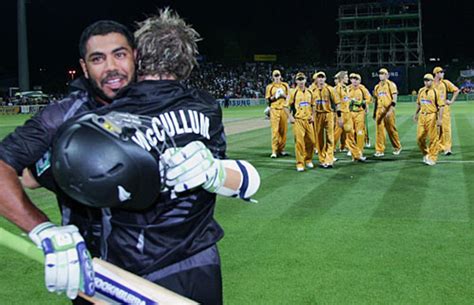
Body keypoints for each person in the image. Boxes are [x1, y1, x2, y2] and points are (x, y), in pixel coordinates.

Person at [0, 20, 137, 302]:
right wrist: (42, 228)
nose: (111, 67)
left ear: (135, 56)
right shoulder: (60, 116)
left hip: (166, 271)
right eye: (98, 59)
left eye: (119, 54)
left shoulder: (162, 104)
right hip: (95, 273)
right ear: (85, 68)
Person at [285, 72, 315, 172]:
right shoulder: (293, 92)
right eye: (299, 79)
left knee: (311, 141)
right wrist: (290, 117)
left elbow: (313, 105)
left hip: (308, 120)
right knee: (299, 142)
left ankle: (308, 159)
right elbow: (286, 106)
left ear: (305, 80)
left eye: (302, 79)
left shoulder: (310, 92)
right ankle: (300, 163)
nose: (301, 81)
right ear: (296, 81)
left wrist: (313, 116)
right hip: (298, 120)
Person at [333, 71, 366, 162]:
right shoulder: (337, 89)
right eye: (346, 77)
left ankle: (356, 155)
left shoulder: (345, 88)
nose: (348, 79)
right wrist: (339, 117)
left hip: (348, 114)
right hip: (342, 115)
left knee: (350, 135)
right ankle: (329, 154)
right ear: (342, 78)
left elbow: (346, 101)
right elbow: (337, 104)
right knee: (335, 136)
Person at [413, 74, 445, 165]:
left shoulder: (436, 92)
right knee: (419, 138)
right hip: (422, 116)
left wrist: (440, 119)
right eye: (425, 80)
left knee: (433, 138)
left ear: (432, 81)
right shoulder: (421, 91)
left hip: (432, 116)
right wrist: (415, 114)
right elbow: (419, 103)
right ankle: (426, 153)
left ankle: (433, 158)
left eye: (428, 80)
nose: (426, 82)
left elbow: (441, 106)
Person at [310, 71, 338, 168]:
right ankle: (322, 159)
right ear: (316, 79)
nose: (321, 79)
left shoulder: (330, 89)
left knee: (330, 137)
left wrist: (339, 116)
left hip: (328, 114)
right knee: (319, 138)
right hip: (317, 115)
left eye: (322, 77)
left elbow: (336, 103)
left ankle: (329, 159)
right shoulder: (312, 91)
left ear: (325, 79)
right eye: (319, 77)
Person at [373, 68, 402, 157]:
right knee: (379, 131)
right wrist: (374, 113)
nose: (381, 75)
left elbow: (394, 97)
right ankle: (379, 150)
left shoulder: (391, 85)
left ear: (387, 75)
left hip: (388, 110)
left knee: (391, 129)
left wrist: (391, 109)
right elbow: (376, 101)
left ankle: (397, 147)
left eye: (383, 73)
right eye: (380, 73)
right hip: (379, 110)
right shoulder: (377, 87)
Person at [432, 67, 460, 155]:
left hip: (444, 109)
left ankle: (447, 148)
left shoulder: (445, 82)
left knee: (446, 128)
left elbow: (456, 90)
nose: (443, 74)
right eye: (441, 72)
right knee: (436, 129)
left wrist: (451, 101)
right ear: (436, 73)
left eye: (442, 72)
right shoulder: (430, 83)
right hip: (433, 109)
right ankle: (439, 146)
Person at [265, 69, 290, 158]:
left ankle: (281, 149)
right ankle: (274, 151)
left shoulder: (285, 85)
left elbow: (289, 98)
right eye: (275, 76)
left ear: (280, 76)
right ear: (273, 77)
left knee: (283, 131)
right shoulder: (269, 87)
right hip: (274, 109)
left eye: (278, 75)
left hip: (283, 109)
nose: (277, 77)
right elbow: (268, 100)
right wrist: (275, 96)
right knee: (275, 131)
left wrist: (283, 96)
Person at [348, 73, 372, 153]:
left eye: (356, 79)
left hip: (360, 112)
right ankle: (352, 148)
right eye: (353, 79)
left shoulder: (362, 89)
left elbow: (369, 99)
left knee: (359, 131)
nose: (354, 81)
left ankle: (359, 149)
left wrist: (362, 102)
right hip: (350, 112)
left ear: (359, 81)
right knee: (351, 131)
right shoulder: (347, 89)